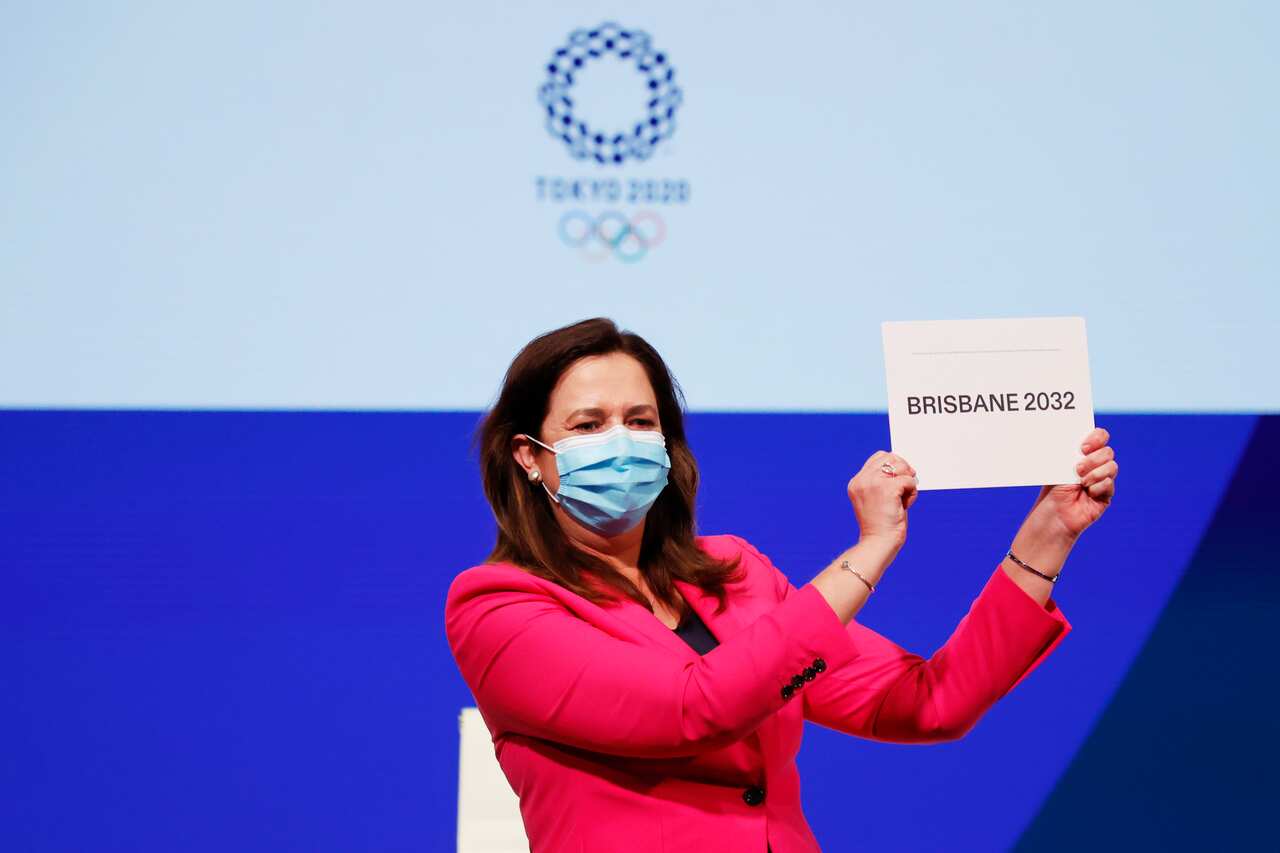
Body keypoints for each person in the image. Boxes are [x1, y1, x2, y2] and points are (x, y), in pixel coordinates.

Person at [444, 317, 1117, 853]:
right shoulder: (499, 605)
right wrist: (871, 549)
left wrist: (1050, 531)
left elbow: (923, 703)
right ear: (529, 455)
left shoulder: (733, 572)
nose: (620, 441)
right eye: (588, 425)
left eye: (641, 420)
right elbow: (693, 708)